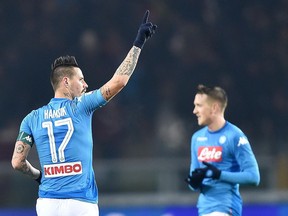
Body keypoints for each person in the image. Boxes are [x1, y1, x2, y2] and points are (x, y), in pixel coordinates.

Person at [11, 10, 157, 216]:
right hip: (80, 203)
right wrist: (138, 44)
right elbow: (119, 82)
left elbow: (17, 162)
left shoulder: (32, 118)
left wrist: (38, 176)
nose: (85, 85)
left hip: (47, 204)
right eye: (81, 79)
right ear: (66, 81)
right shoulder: (80, 106)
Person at [185, 84, 260, 216]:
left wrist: (220, 175)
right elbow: (193, 184)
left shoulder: (234, 135)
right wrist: (195, 181)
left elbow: (254, 177)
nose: (194, 111)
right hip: (203, 210)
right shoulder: (197, 138)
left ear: (214, 108)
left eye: (199, 105)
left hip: (226, 208)